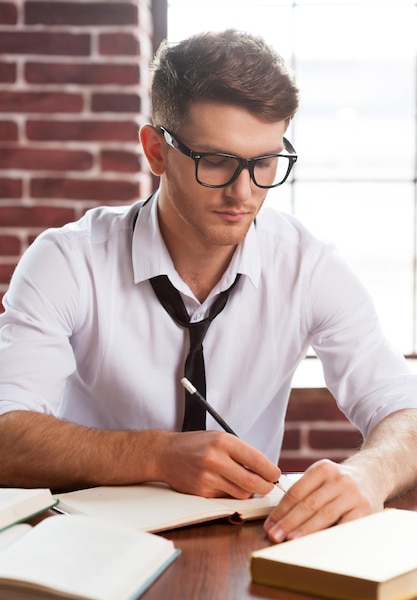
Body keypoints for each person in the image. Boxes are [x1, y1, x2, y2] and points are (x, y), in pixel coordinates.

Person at [1, 29, 417, 545]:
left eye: (264, 163)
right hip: (83, 543)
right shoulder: (67, 260)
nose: (243, 193)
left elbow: (405, 408)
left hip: (249, 543)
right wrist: (155, 455)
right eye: (216, 161)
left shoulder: (308, 266)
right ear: (156, 151)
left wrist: (370, 474)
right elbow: (5, 433)